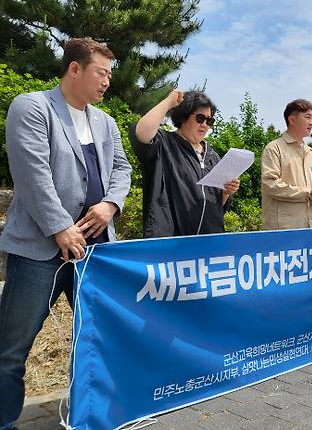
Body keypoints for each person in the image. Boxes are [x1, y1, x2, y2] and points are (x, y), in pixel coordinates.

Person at [0, 37, 132, 428]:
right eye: (101, 73)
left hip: (95, 253)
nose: (107, 81)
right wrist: (60, 228)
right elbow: (32, 174)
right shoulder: (33, 106)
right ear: (74, 69)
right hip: (39, 251)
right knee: (11, 348)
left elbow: (122, 169)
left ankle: (87, 416)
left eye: (110, 74)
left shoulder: (104, 122)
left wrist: (110, 205)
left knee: (97, 339)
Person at [129, 90, 240, 237]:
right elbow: (141, 133)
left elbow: (217, 206)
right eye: (200, 118)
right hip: (171, 244)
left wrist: (226, 193)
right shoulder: (163, 143)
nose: (205, 125)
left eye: (210, 121)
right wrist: (168, 102)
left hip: (209, 244)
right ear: (183, 116)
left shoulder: (213, 156)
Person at [261, 99, 312, 230]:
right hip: (284, 230)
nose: (311, 123)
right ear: (292, 120)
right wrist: (306, 193)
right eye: (307, 117)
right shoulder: (274, 148)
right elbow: (270, 184)